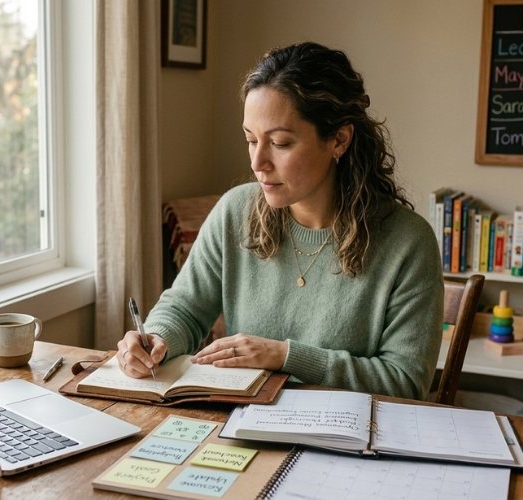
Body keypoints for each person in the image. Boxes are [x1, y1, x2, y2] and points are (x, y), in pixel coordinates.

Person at [117, 42, 443, 400]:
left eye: (280, 143)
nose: (258, 162)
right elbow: (185, 308)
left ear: (339, 139)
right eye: (250, 140)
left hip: (348, 443)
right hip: (244, 426)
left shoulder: (408, 241)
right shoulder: (234, 212)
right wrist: (157, 338)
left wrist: (286, 357)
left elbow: (406, 382)